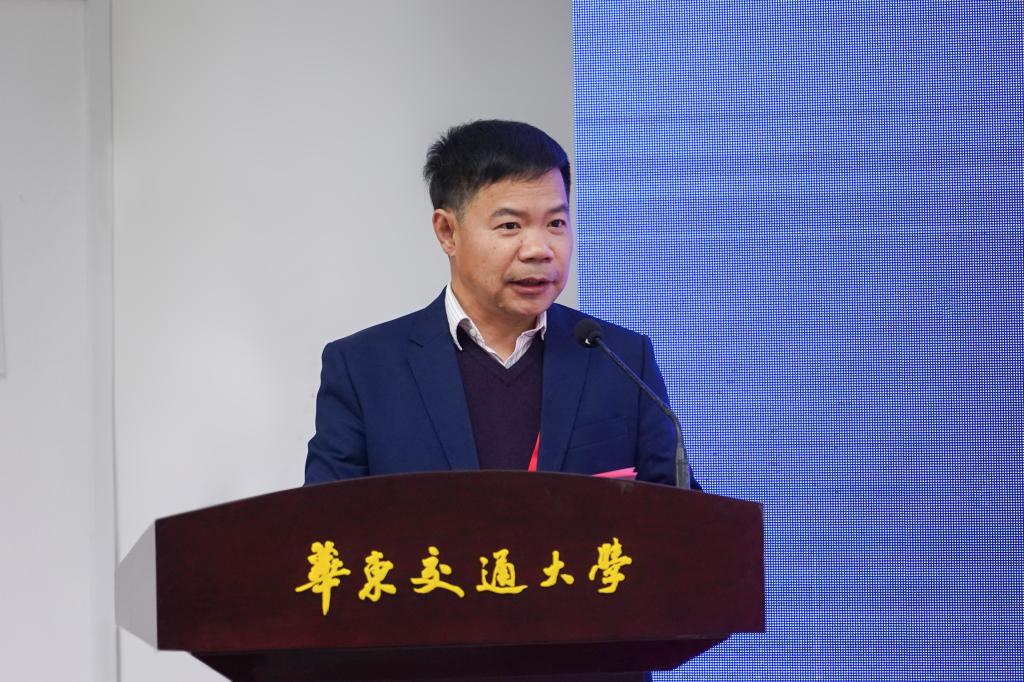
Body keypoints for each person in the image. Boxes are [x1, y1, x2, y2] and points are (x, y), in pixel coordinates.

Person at [305, 119, 698, 489]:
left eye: (556, 223)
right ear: (447, 232)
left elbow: (679, 518)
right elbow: (325, 525)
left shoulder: (621, 360)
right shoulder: (364, 369)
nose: (539, 249)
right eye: (510, 225)